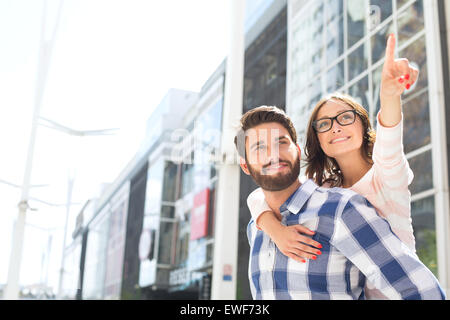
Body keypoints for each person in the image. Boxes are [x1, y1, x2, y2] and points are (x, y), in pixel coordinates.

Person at [246, 34, 420, 299]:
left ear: (363, 124)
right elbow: (261, 193)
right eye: (324, 123)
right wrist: (276, 230)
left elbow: (391, 136)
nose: (335, 126)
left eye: (345, 117)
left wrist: (388, 94)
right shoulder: (325, 190)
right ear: (318, 140)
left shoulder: (387, 174)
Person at [234, 105, 445, 299]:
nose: (274, 155)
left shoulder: (341, 210)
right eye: (259, 148)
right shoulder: (257, 228)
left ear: (297, 150)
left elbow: (422, 291)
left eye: (281, 142)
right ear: (245, 166)